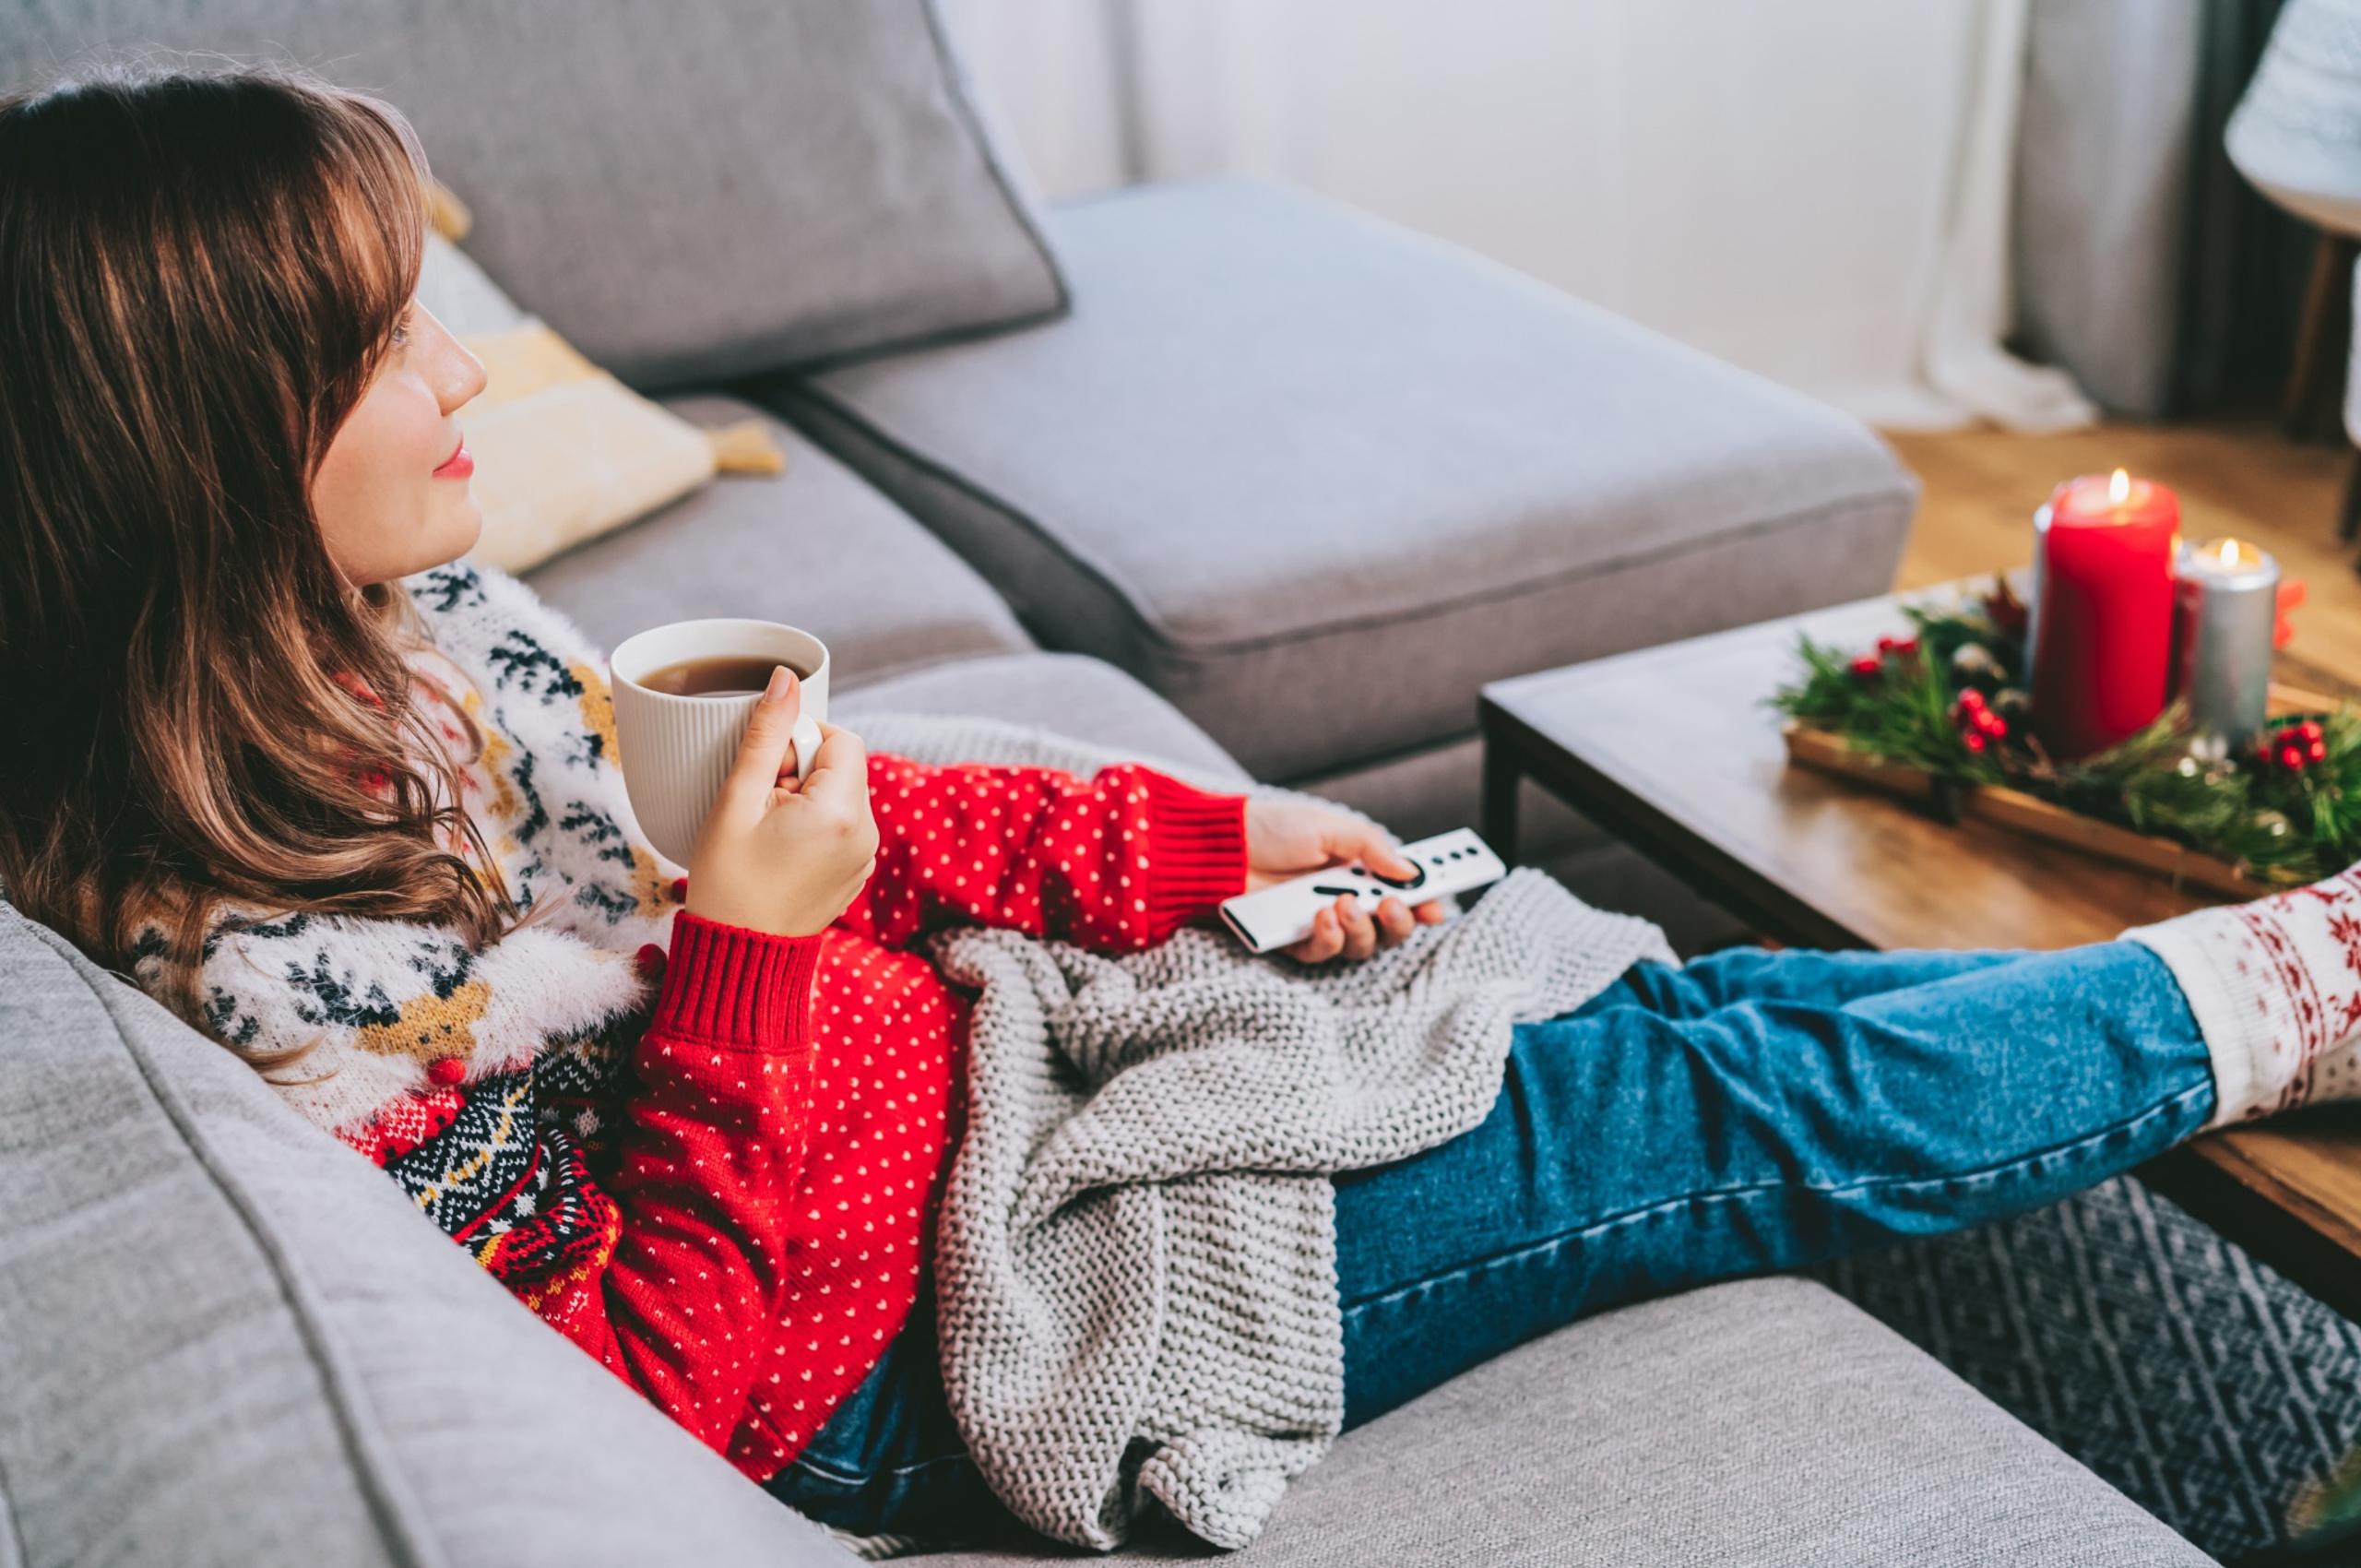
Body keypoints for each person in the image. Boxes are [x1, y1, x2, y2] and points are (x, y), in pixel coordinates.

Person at [2, 60, 2354, 1549]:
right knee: (1718, 1088)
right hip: (943, 1341)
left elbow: (834, 821)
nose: (462, 363)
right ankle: (2298, 978)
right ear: (207, 445)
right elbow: (669, 1382)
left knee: (1682, 1010)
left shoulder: (424, 642)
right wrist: (739, 951)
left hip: (982, 1116)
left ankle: (2246, 1005)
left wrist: (1189, 845)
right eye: (383, 337)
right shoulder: (276, 975)